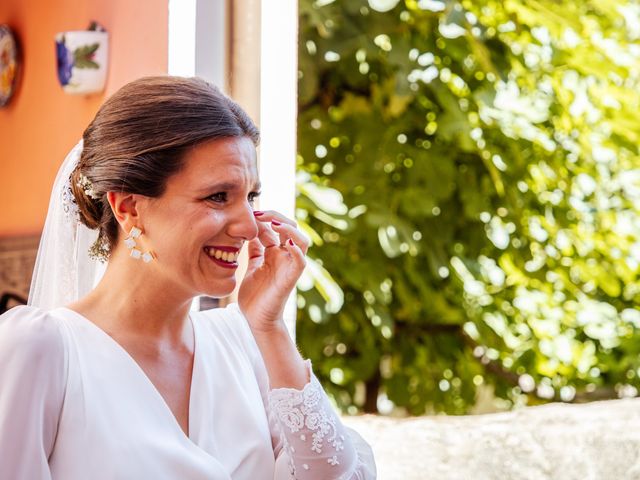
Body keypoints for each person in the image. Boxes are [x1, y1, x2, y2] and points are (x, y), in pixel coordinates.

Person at [0, 76, 376, 479]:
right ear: (129, 208)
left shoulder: (245, 345)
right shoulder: (41, 349)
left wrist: (270, 327)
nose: (249, 227)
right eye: (218, 197)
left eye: (250, 198)